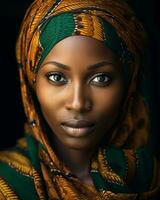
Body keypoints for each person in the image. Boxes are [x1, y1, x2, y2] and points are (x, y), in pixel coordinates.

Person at [0, 0, 159, 199]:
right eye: (56, 77)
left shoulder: (147, 176)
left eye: (101, 79)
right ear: (31, 82)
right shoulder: (7, 185)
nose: (78, 103)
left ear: (129, 83)